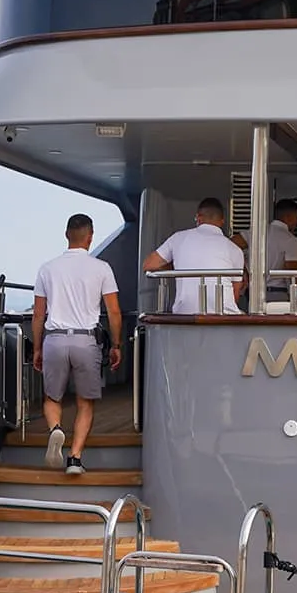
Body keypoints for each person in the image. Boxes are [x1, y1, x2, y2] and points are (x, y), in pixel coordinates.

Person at [32, 213, 123, 477]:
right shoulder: (102, 268)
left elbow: (39, 314)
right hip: (86, 339)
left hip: (55, 339)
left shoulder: (47, 268)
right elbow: (114, 311)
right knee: (85, 402)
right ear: (90, 236)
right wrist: (116, 344)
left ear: (66, 235)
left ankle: (56, 429)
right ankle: (74, 458)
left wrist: (37, 348)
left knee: (52, 397)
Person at [143, 198, 246, 314]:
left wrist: (177, 266)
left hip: (184, 314)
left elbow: (148, 264)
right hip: (223, 316)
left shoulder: (178, 238)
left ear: (198, 218)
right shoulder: (235, 250)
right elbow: (235, 296)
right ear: (222, 221)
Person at [266, 198, 297, 298]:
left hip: (254, 293)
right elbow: (293, 271)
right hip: (277, 293)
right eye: (296, 217)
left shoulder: (255, 233)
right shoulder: (290, 240)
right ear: (288, 217)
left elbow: (232, 243)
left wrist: (245, 270)